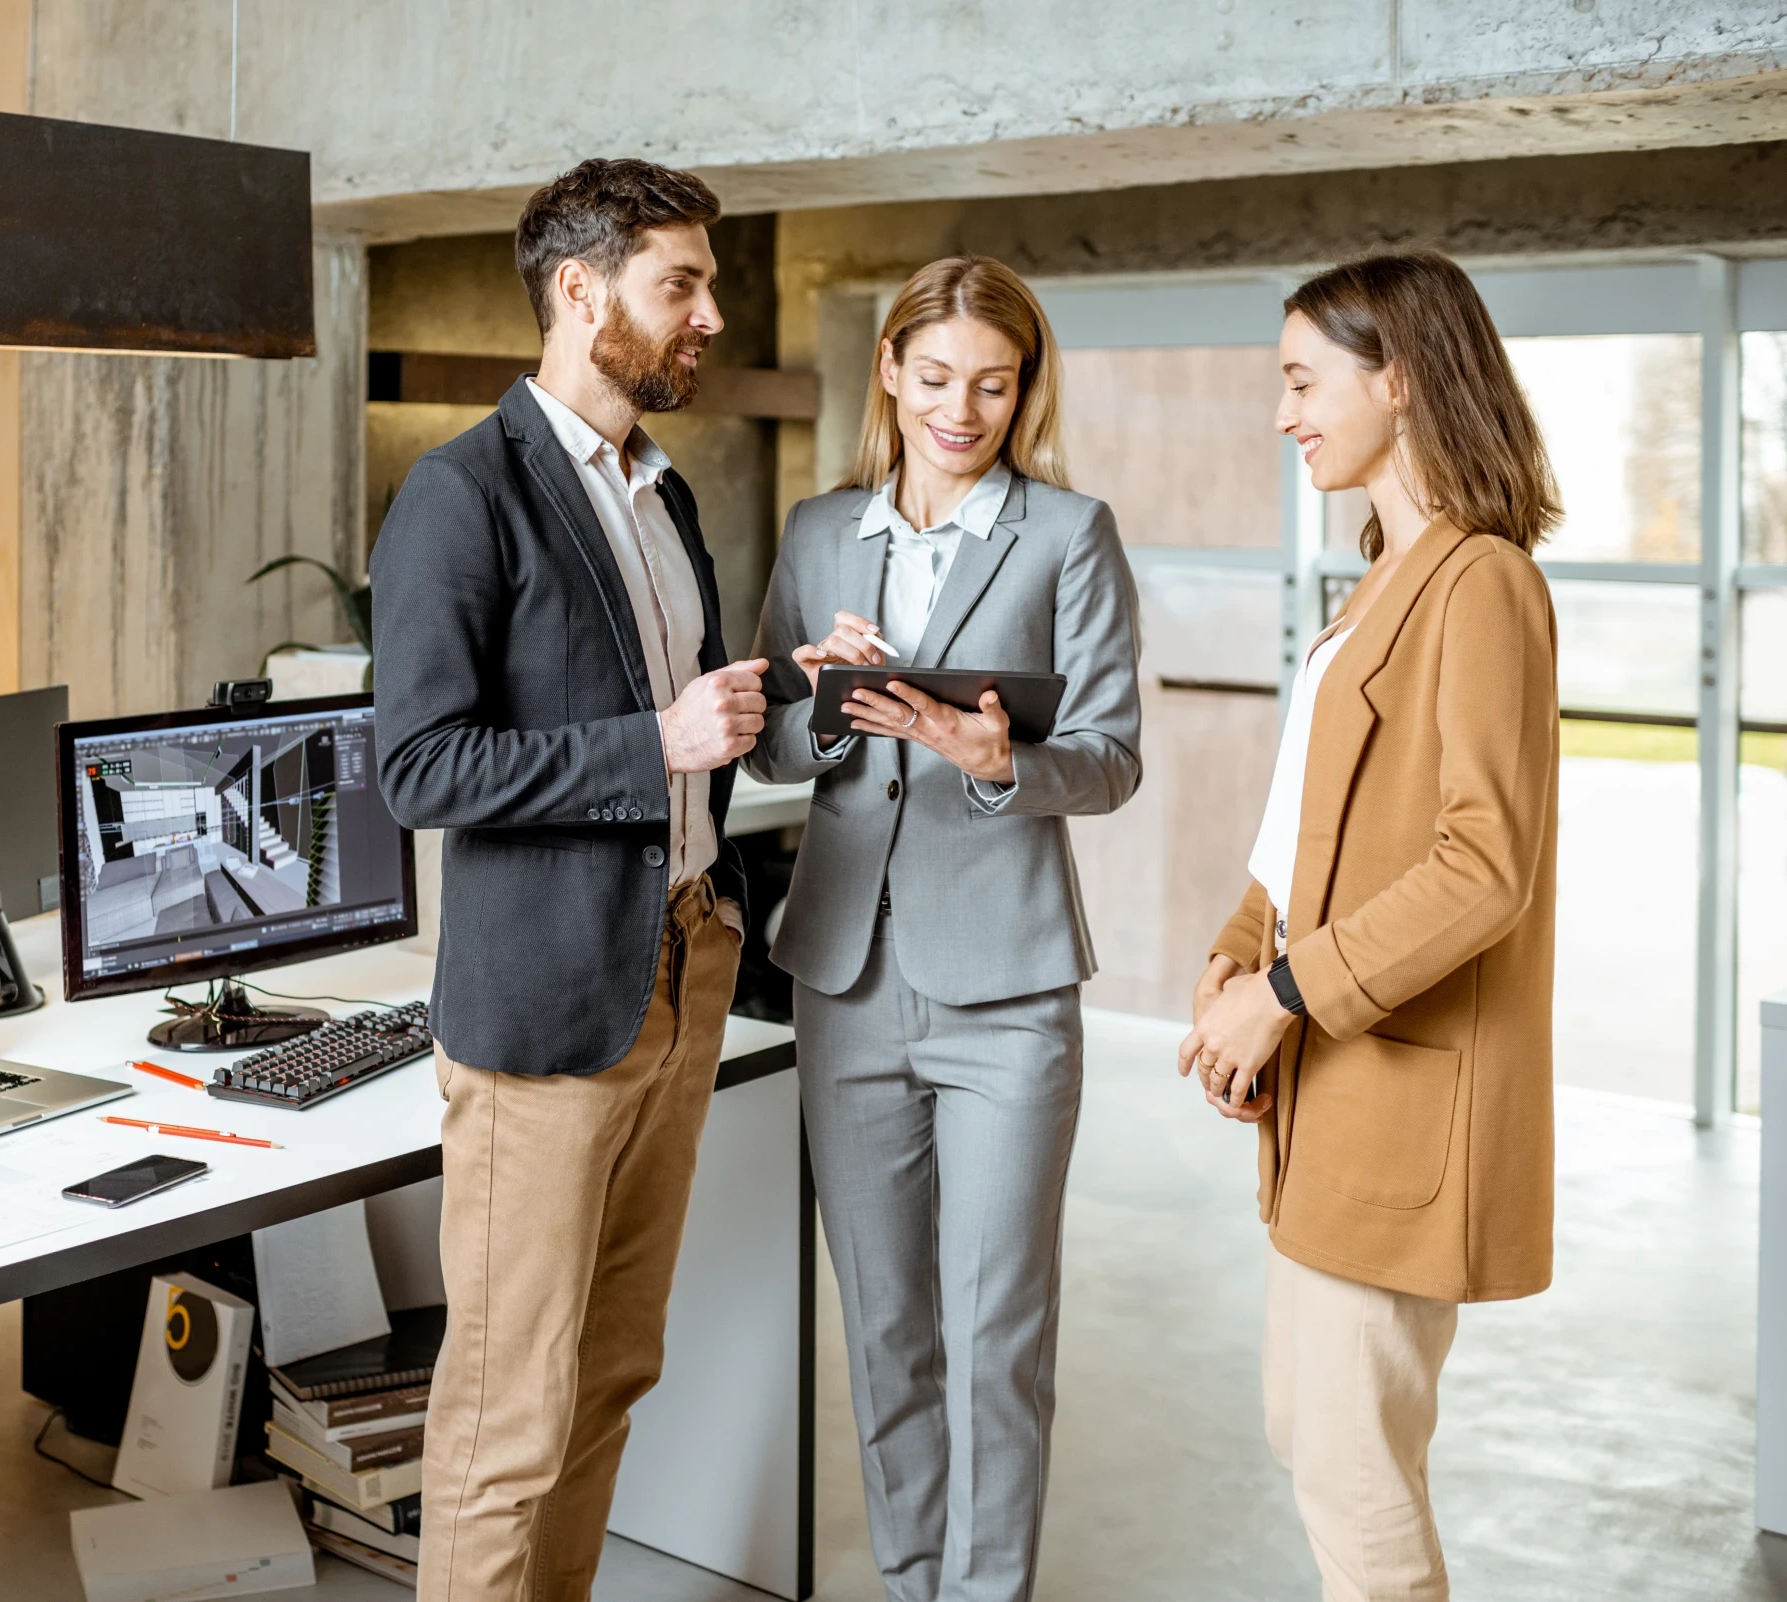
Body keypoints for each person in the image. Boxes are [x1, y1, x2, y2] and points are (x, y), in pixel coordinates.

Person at [367, 158, 763, 1602]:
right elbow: (421, 768)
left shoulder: (663, 492)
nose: (709, 314)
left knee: (610, 1374)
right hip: (547, 1010)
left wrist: (772, 696)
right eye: (681, 285)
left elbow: (674, 720)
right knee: (506, 1419)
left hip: (683, 962)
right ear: (582, 292)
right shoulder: (460, 494)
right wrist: (656, 741)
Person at [744, 255, 1142, 1601]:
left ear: (1025, 389)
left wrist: (996, 759)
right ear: (890, 374)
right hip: (843, 974)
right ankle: (912, 1584)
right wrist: (819, 706)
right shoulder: (818, 532)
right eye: (934, 379)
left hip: (1009, 991)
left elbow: (1111, 756)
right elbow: (771, 746)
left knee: (994, 1333)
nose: (960, 411)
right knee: (883, 1327)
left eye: (992, 383)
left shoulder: (1067, 534)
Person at [1177, 249, 1561, 1602]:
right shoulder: (1382, 580)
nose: (1282, 412)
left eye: (1303, 381)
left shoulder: (1483, 584)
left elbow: (1483, 865)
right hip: (1333, 1090)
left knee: (1354, 1476)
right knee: (1312, 1432)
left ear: (1398, 379)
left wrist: (1284, 995)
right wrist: (1238, 949)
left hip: (1397, 1096)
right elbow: (1310, 825)